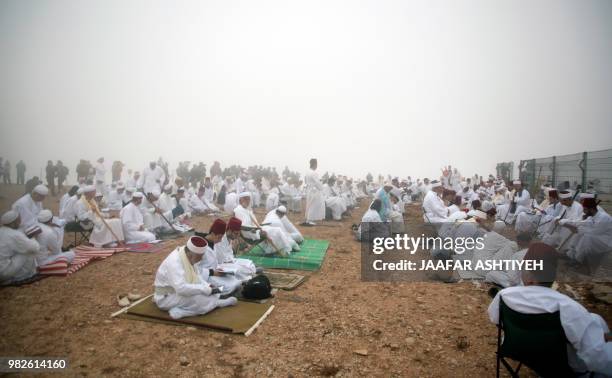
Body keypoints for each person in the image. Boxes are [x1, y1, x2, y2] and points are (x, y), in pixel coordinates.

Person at [488, 243, 612, 375]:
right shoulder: (569, 308)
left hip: (519, 351)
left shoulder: (505, 295)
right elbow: (601, 361)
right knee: (596, 321)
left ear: (526, 273)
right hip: (561, 366)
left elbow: (495, 318)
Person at [153, 236, 238, 319]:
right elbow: (181, 289)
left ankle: (214, 303)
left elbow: (197, 275)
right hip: (167, 297)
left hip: (178, 292)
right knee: (199, 299)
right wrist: (204, 289)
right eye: (200, 257)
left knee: (212, 292)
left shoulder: (187, 255)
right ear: (192, 254)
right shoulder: (174, 262)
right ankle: (182, 312)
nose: (201, 259)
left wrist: (207, 286)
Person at [234, 192, 298, 256]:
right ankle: (283, 249)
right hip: (250, 233)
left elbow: (253, 223)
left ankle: (276, 249)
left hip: (256, 230)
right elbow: (242, 226)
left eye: (248, 199)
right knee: (277, 231)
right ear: (240, 200)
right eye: (245, 199)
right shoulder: (238, 210)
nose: (247, 201)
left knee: (276, 230)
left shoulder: (247, 210)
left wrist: (258, 228)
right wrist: (256, 230)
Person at [560, 196, 612, 270]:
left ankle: (578, 260)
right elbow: (580, 223)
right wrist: (564, 222)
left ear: (591, 209)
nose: (583, 212)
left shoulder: (604, 218)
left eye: (585, 209)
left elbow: (595, 232)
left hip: (606, 241)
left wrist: (577, 230)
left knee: (587, 236)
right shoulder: (592, 216)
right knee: (580, 231)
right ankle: (571, 254)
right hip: (597, 238)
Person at [209, 217, 257, 282]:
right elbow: (221, 259)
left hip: (231, 261)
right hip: (223, 264)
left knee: (249, 262)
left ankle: (249, 274)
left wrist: (232, 260)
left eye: (238, 233)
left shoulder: (230, 238)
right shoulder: (220, 239)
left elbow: (230, 254)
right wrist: (232, 261)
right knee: (239, 269)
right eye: (236, 233)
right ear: (229, 231)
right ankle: (248, 275)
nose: (237, 236)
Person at [0, 211, 40, 285]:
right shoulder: (14, 234)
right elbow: (36, 247)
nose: (20, 222)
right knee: (30, 251)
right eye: (18, 220)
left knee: (22, 249)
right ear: (13, 222)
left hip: (3, 268)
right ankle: (22, 277)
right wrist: (33, 238)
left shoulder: (2, 230)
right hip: (3, 272)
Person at [304, 158, 325, 225]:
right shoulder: (313, 173)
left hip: (309, 190)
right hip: (314, 191)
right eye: (316, 164)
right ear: (314, 164)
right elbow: (317, 183)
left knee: (310, 204)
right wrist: (321, 187)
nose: (317, 166)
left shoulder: (307, 172)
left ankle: (310, 218)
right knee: (314, 205)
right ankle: (310, 219)